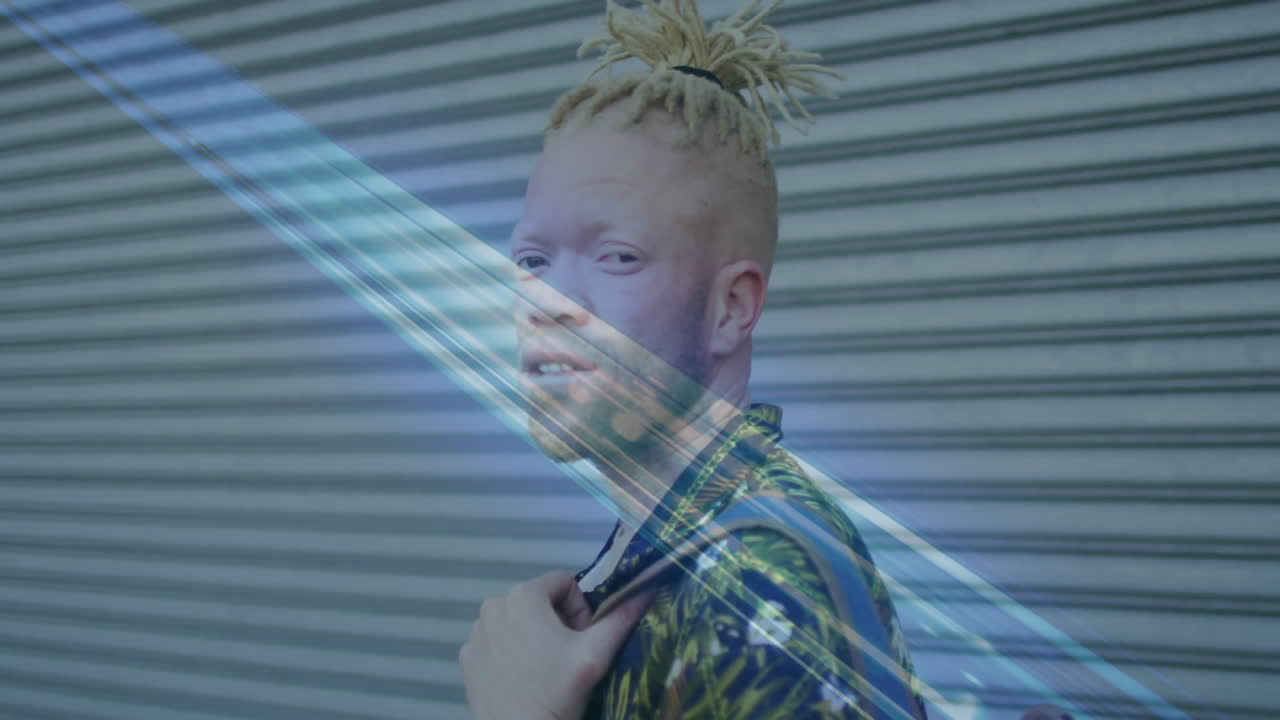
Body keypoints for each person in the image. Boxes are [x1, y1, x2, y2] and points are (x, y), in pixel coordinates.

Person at [459, 1, 928, 718]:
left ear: (730, 308)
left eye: (617, 256)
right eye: (531, 258)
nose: (547, 300)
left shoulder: (762, 585)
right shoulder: (662, 542)